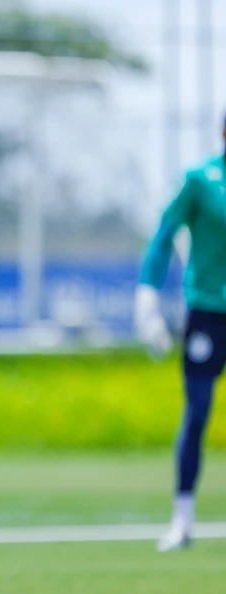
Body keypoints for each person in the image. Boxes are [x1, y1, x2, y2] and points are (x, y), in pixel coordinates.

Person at [136, 115, 226, 552]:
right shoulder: (201, 179)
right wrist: (147, 301)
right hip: (208, 311)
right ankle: (183, 518)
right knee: (198, 410)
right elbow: (163, 235)